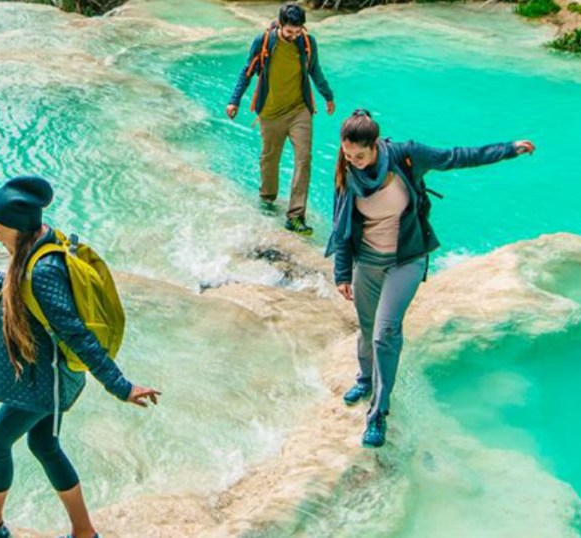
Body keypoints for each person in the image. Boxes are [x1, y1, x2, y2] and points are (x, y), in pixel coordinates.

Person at [0, 176, 161, 538]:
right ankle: (84, 533)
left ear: (17, 227)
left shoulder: (43, 269)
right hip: (50, 376)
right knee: (44, 444)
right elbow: (16, 279)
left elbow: (78, 335)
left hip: (46, 382)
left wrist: (121, 387)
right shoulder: (40, 243)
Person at [326, 110, 535, 448]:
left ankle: (378, 413)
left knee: (385, 333)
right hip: (367, 261)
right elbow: (342, 226)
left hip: (406, 259)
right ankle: (364, 379)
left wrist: (508, 149)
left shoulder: (407, 155)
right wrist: (342, 272)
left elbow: (455, 157)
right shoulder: (346, 171)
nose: (354, 162)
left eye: (360, 156)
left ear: (376, 145)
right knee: (366, 329)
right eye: (348, 155)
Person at [226, 2, 335, 235]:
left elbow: (315, 71)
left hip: (299, 110)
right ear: (280, 25)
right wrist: (234, 101)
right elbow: (246, 71)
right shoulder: (264, 42)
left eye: (298, 31)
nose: (293, 36)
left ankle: (295, 216)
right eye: (289, 32)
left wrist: (328, 95)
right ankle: (267, 200)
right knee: (269, 158)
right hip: (271, 112)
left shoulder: (307, 43)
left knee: (304, 159)